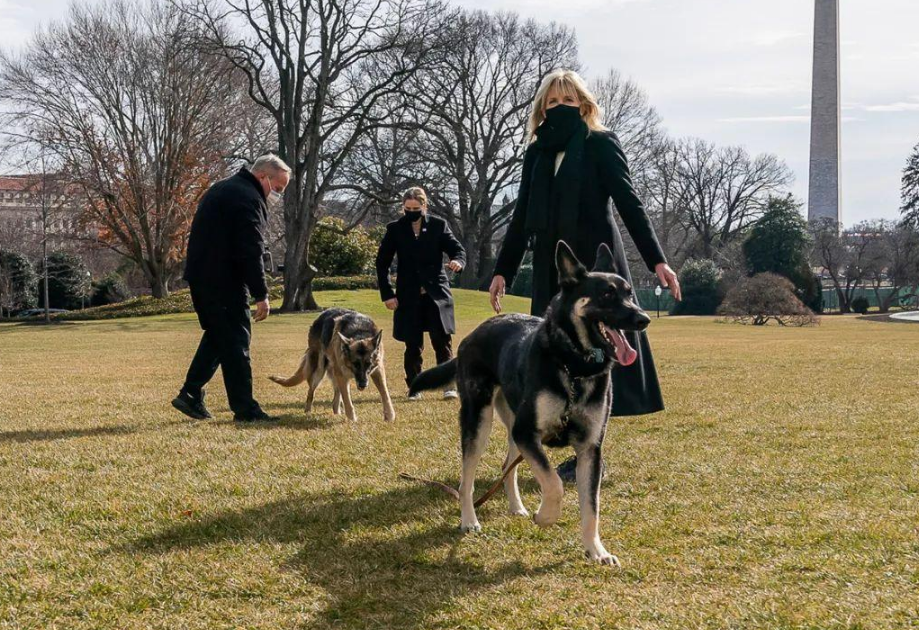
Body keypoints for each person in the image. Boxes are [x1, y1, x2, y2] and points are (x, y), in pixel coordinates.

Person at [489, 69, 682, 479]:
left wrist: (657, 260)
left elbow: (629, 202)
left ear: (583, 104)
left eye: (568, 100)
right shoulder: (536, 153)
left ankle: (589, 454)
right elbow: (521, 216)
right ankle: (554, 437)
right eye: (552, 102)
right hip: (553, 269)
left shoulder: (600, 143)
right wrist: (503, 270)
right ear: (542, 108)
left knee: (599, 355)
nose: (560, 107)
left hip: (596, 267)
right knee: (553, 356)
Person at [171, 154, 290, 422]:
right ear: (263, 176)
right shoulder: (249, 198)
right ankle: (245, 409)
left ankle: (190, 393)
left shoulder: (224, 188)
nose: (277, 195)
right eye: (278, 188)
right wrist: (261, 294)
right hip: (223, 279)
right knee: (237, 341)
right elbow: (250, 250)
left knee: (220, 335)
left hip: (203, 276)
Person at [375, 187, 466, 400]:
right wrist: (387, 294)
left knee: (441, 340)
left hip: (436, 293)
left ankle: (448, 385)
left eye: (416, 208)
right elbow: (382, 263)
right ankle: (415, 386)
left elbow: (457, 250)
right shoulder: (395, 229)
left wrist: (458, 262)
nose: (412, 212)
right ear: (403, 207)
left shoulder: (438, 226)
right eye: (408, 209)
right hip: (408, 295)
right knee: (413, 343)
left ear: (424, 206)